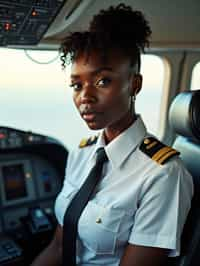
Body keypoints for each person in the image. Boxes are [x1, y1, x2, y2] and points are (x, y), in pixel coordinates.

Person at [31, 3, 193, 266]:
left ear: (134, 85)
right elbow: (59, 247)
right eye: (76, 85)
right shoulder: (81, 154)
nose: (85, 97)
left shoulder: (163, 174)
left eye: (103, 81)